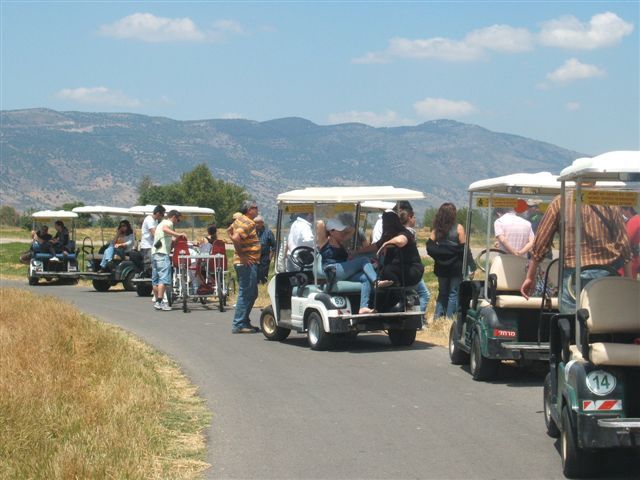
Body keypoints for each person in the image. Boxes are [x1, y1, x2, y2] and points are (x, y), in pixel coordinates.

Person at [520, 193, 632, 313]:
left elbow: (541, 242)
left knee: (571, 319)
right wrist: (629, 279)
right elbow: (623, 244)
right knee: (606, 316)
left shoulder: (560, 202)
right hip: (606, 274)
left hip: (573, 277)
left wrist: (530, 276)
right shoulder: (608, 202)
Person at [320, 217, 381, 314]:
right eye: (339, 231)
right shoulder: (324, 242)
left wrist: (343, 227)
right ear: (331, 232)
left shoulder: (340, 242)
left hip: (342, 271)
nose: (342, 233)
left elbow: (352, 230)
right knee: (363, 260)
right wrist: (328, 224)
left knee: (365, 278)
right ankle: (376, 281)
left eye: (342, 230)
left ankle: (363, 307)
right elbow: (319, 224)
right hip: (332, 270)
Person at [375, 211, 425, 311]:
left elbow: (401, 241)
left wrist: (386, 244)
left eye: (386, 222)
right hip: (397, 271)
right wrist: (357, 252)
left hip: (412, 270)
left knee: (387, 270)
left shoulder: (404, 233)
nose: (385, 225)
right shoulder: (387, 235)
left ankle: (401, 299)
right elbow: (375, 246)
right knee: (380, 269)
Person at [426, 203, 466, 319]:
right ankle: (449, 319)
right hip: (456, 266)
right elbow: (464, 249)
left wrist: (440, 254)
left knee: (442, 292)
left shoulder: (437, 229)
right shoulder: (459, 228)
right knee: (453, 293)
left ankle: (437, 317)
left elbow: (429, 246)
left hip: (441, 266)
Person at [228, 200, 262, 333]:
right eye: (255, 207)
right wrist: (242, 255)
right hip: (247, 263)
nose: (257, 209)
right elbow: (236, 237)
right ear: (249, 210)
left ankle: (244, 321)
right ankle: (239, 324)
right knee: (247, 293)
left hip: (245, 262)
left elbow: (230, 231)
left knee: (251, 293)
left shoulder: (239, 220)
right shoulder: (248, 222)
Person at [396, 202, 431, 325]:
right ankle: (418, 320)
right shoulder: (410, 232)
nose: (415, 220)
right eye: (414, 217)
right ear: (409, 218)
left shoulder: (397, 231)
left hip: (401, 269)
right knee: (425, 294)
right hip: (411, 269)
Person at [152, 210, 185, 312]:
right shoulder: (168, 223)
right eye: (178, 220)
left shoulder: (160, 223)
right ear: (174, 217)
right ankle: (160, 301)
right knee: (164, 279)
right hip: (162, 254)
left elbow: (169, 239)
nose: (177, 222)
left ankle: (158, 301)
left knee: (156, 280)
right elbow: (165, 229)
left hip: (155, 253)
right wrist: (178, 234)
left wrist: (175, 240)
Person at [140, 205, 165, 279]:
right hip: (147, 245)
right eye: (162, 215)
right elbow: (154, 233)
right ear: (158, 213)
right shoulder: (149, 219)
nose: (162, 217)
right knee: (149, 264)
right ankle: (148, 278)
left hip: (152, 245)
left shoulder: (155, 221)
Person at [255, 215, 276, 284]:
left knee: (264, 271)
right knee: (255, 270)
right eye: (255, 223)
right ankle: (256, 283)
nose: (256, 224)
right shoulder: (253, 232)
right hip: (254, 255)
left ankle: (263, 283)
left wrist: (270, 256)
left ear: (262, 223)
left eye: (258, 223)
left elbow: (273, 245)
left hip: (265, 255)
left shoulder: (268, 232)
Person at [620, 206, 639, 278]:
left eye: (622, 210)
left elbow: (625, 241)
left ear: (628, 209)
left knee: (627, 283)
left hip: (629, 262)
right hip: (634, 260)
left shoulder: (634, 221)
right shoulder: (636, 219)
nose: (622, 213)